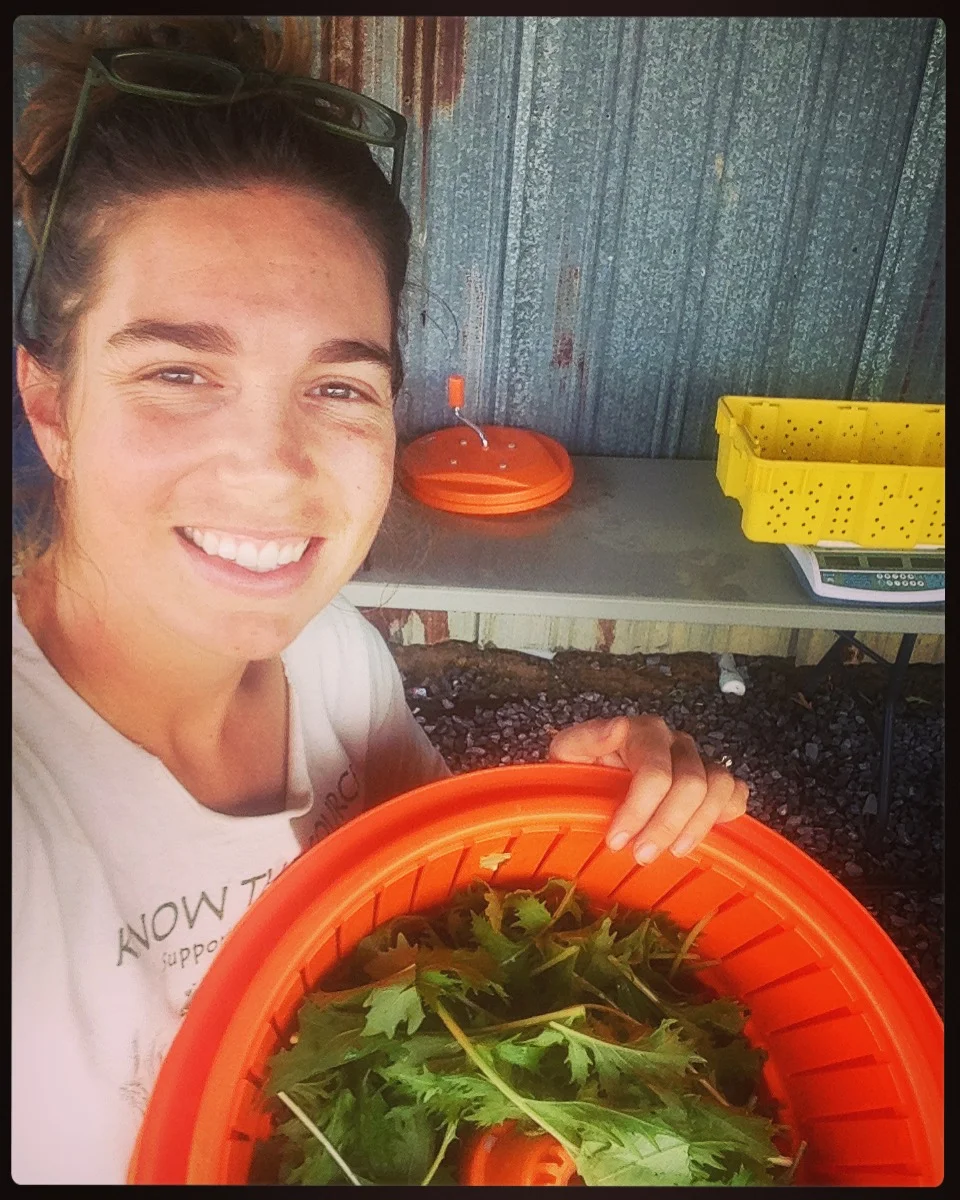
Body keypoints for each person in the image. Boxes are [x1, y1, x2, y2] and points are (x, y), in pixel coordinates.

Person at [11, 16, 749, 1184]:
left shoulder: (338, 662)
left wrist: (580, 826)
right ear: (52, 409)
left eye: (338, 385)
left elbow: (436, 926)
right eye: (179, 372)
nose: (274, 467)